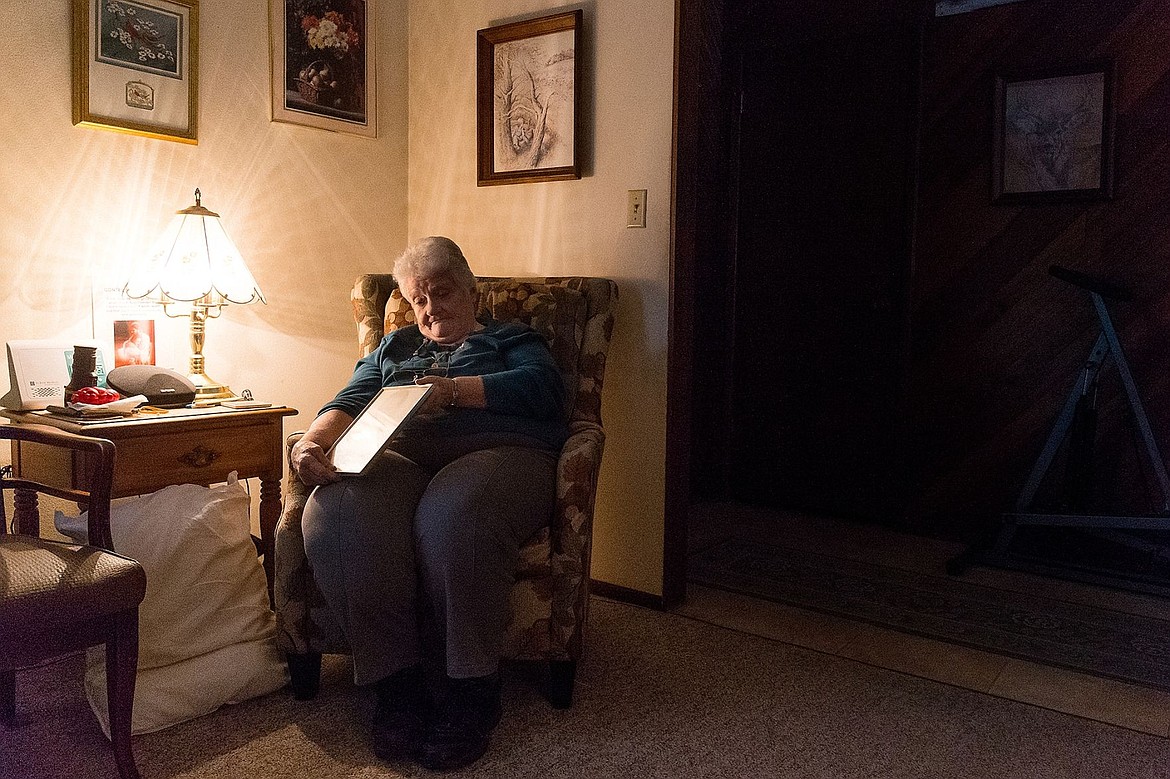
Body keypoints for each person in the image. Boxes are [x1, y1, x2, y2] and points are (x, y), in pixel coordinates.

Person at [290, 236, 566, 771]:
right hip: (404, 457)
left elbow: (544, 390)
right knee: (335, 514)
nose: (431, 308)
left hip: (500, 452)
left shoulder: (512, 338)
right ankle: (396, 685)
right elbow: (348, 400)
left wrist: (454, 391)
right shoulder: (394, 348)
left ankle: (470, 691)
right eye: (419, 299)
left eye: (442, 292)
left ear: (471, 291)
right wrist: (311, 444)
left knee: (454, 515)